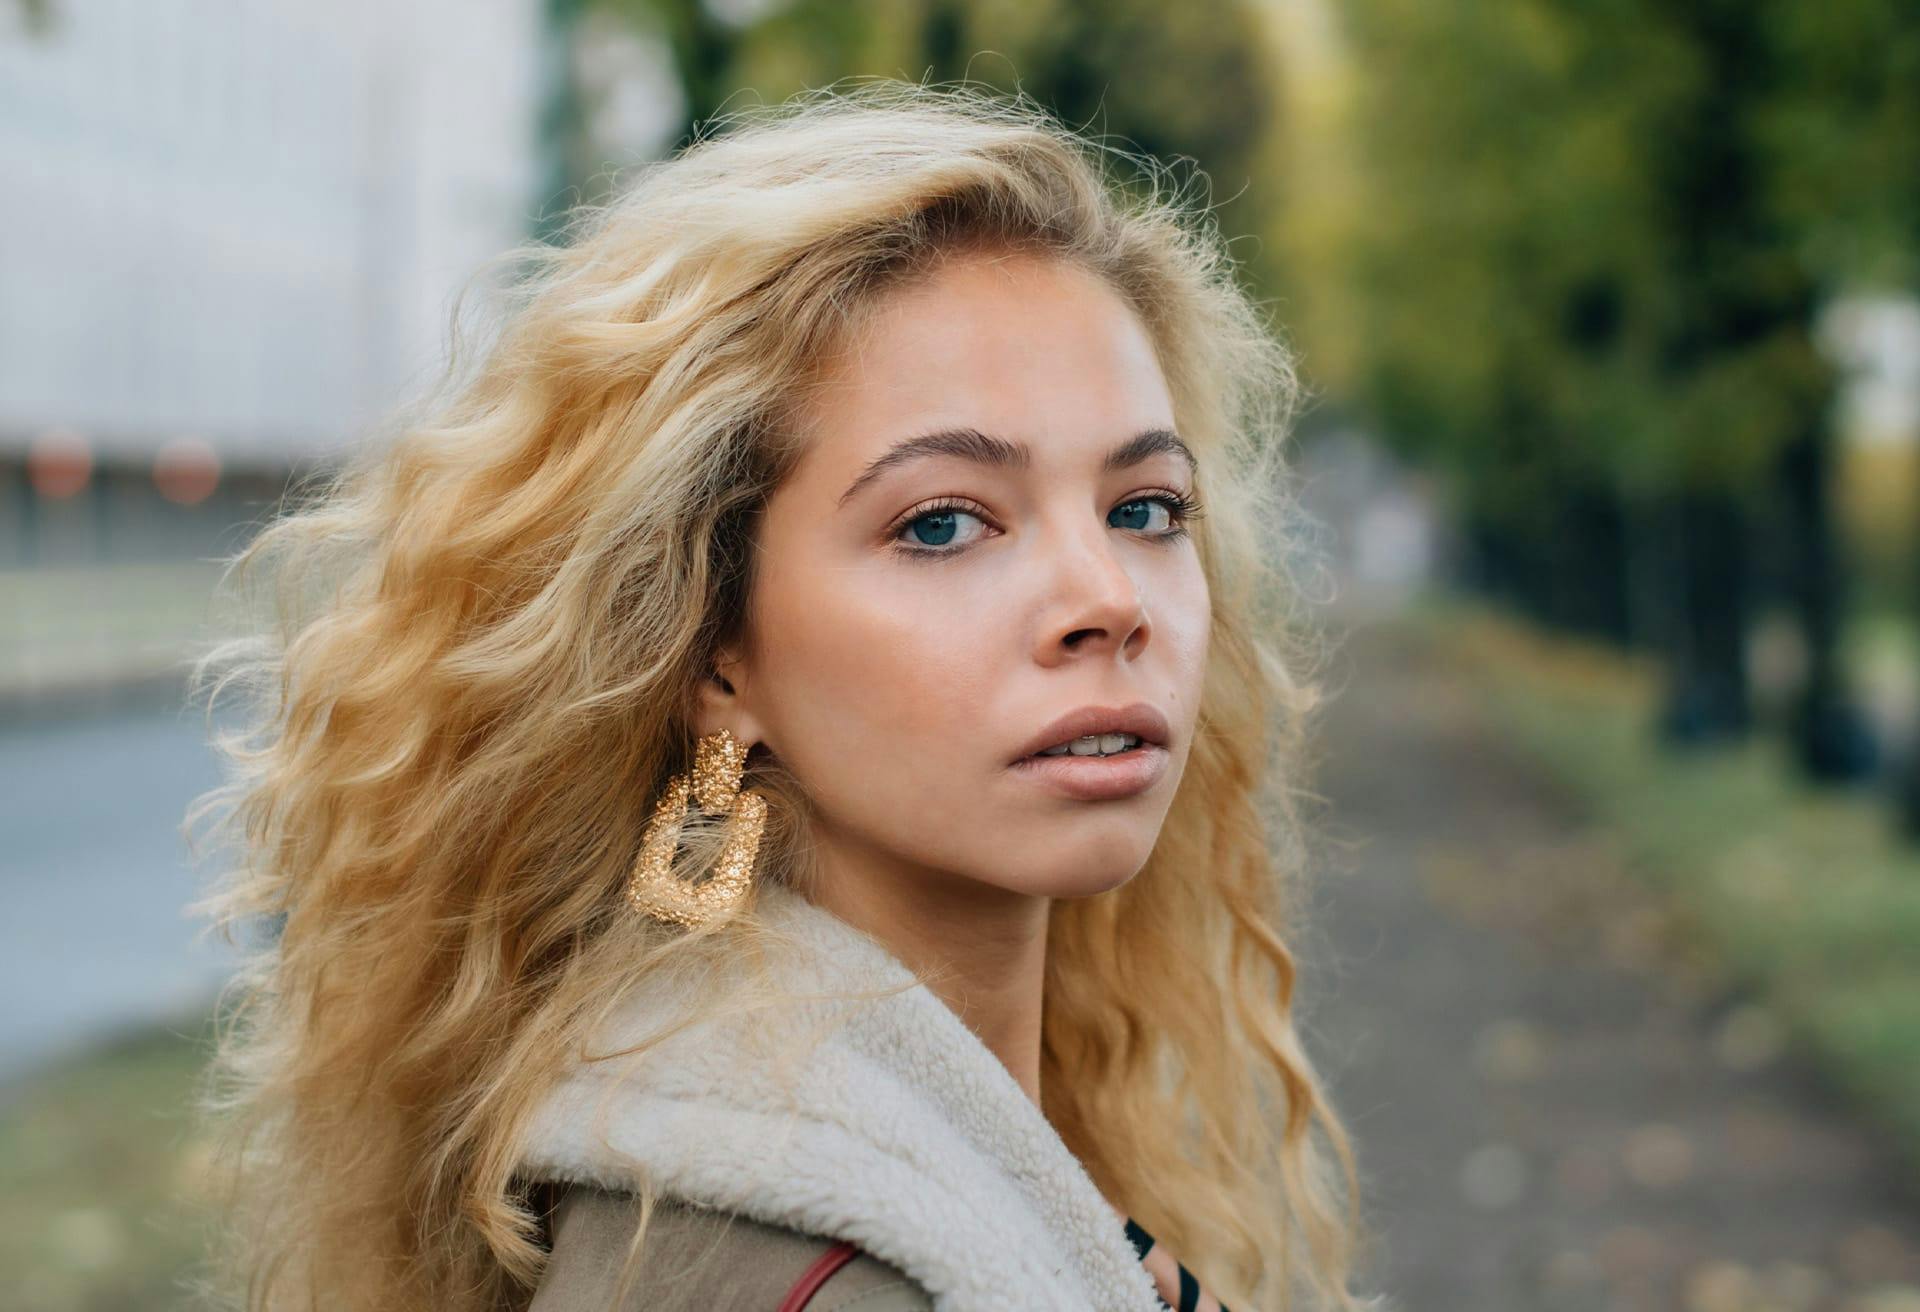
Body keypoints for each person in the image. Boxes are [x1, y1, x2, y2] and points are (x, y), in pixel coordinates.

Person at [185, 79, 1376, 1311]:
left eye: (1145, 509)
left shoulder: (813, 1138)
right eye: (946, 522)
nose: (1109, 599)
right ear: (713, 657)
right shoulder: (785, 1262)